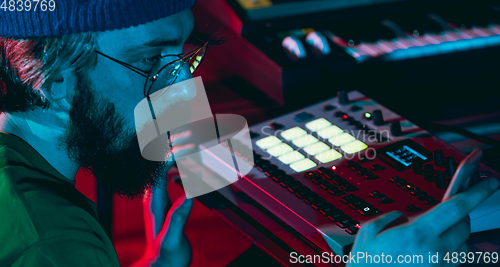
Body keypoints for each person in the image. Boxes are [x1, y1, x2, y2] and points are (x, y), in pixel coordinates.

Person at [0, 1, 497, 266]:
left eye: (184, 57)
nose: (183, 89)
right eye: (152, 61)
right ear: (53, 77)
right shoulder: (53, 244)